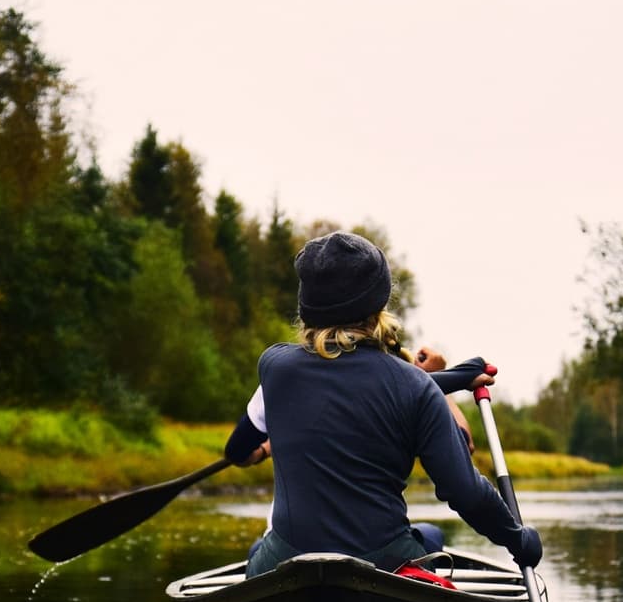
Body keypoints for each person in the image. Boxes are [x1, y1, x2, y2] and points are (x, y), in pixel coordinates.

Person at [223, 230, 542, 577]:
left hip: (287, 558)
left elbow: (367, 386)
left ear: (307, 306)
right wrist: (518, 539)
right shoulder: (414, 388)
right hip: (383, 562)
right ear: (378, 305)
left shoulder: (275, 368)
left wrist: (459, 376)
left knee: (259, 550)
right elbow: (465, 493)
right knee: (431, 536)